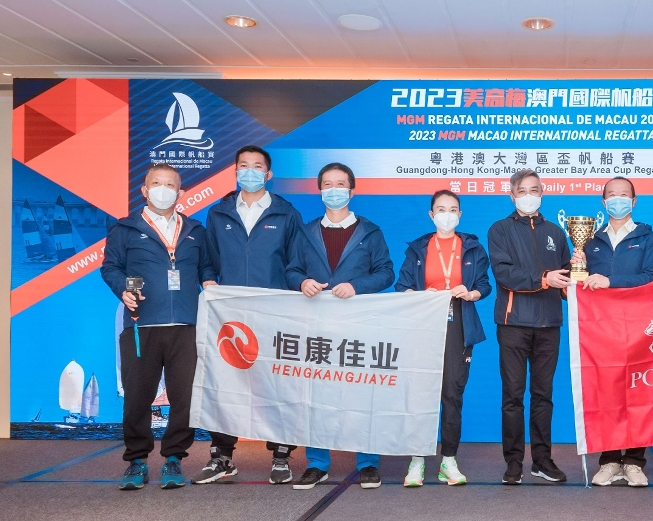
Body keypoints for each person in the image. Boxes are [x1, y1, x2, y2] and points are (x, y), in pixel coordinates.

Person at [196, 145, 305, 485]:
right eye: (244, 165)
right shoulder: (218, 213)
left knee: (277, 384)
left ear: (268, 174)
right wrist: (209, 280)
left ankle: (281, 457)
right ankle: (222, 456)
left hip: (275, 313)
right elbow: (208, 260)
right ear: (235, 171)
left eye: (257, 166)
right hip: (230, 316)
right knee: (225, 384)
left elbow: (296, 263)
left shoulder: (287, 214)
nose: (250, 171)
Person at [101, 164, 212, 490]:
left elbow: (206, 266)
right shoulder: (125, 229)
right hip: (141, 325)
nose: (163, 190)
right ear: (145, 190)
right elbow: (111, 267)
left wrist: (209, 281)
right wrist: (122, 288)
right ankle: (136, 461)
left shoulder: (195, 230)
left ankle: (174, 458)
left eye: (170, 185)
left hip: (187, 326)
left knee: (184, 397)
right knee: (137, 396)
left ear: (180, 193)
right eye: (156, 183)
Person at [288, 162, 395, 489]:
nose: (334, 190)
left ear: (352, 190)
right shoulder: (305, 231)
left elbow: (386, 273)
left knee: (363, 392)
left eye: (340, 184)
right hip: (317, 326)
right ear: (319, 190)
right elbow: (291, 270)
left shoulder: (370, 232)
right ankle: (317, 463)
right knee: (316, 394)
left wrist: (356, 286)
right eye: (327, 184)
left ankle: (368, 462)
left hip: (358, 325)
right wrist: (302, 282)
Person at [394, 190, 492, 487]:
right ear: (431, 214)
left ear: (459, 214)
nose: (446, 215)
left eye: (452, 209)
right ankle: (417, 459)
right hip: (423, 326)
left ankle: (448, 460)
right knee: (420, 394)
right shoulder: (418, 248)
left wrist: (471, 293)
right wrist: (420, 296)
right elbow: (401, 286)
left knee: (452, 392)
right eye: (440, 209)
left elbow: (484, 285)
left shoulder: (473, 247)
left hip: (459, 324)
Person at [488, 169, 573, 484]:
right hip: (513, 323)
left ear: (542, 193)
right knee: (512, 396)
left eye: (534, 189)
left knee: (543, 395)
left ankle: (542, 460)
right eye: (522, 190)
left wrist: (573, 282)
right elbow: (504, 274)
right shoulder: (500, 230)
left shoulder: (555, 232)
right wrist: (544, 279)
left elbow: (566, 274)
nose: (529, 195)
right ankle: (513, 462)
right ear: (512, 195)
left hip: (549, 323)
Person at [582, 177, 653, 488]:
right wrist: (578, 272)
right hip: (602, 329)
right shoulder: (591, 241)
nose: (617, 199)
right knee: (607, 394)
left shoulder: (649, 238)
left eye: (624, 194)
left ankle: (633, 461)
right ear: (603, 202)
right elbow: (580, 285)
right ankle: (608, 460)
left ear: (634, 201)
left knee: (638, 394)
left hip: (639, 328)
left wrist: (611, 281)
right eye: (612, 195)